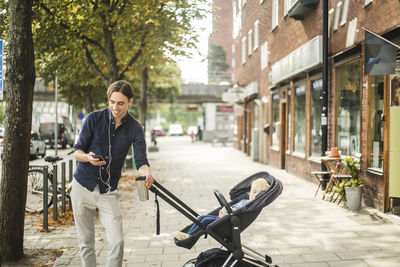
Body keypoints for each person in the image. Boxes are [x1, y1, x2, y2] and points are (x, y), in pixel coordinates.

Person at [71, 80, 154, 267]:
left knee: (117, 241)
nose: (115, 107)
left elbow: (141, 160)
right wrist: (88, 158)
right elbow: (77, 151)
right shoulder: (93, 119)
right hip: (82, 187)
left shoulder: (135, 127)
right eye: (112, 102)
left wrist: (147, 173)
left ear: (130, 102)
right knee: (86, 243)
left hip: (107, 192)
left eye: (120, 103)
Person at [174, 178, 270, 240]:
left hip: (227, 223)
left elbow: (237, 213)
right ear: (249, 192)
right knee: (202, 217)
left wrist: (225, 213)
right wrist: (223, 210)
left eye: (259, 193)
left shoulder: (250, 206)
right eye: (254, 191)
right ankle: (188, 233)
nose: (255, 195)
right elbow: (233, 207)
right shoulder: (244, 201)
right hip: (225, 217)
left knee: (205, 220)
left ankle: (189, 237)